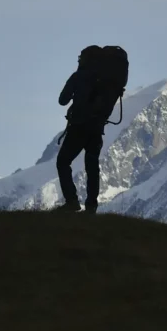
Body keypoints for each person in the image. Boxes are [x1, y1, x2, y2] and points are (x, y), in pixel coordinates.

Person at [54, 46, 107, 213]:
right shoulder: (105, 80)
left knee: (63, 162)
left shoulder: (78, 76)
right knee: (92, 166)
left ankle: (72, 201)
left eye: (81, 57)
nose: (78, 60)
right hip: (96, 129)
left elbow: (62, 100)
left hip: (78, 127)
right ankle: (91, 206)